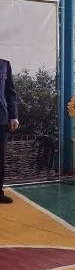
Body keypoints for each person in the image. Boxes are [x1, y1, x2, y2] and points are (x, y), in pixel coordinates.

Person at [0, 58, 19, 204]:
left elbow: (10, 93)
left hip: (1, 118)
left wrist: (13, 116)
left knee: (0, 158)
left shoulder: (4, 64)